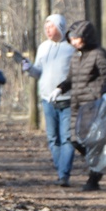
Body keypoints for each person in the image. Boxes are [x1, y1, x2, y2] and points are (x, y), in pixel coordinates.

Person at [56, 19, 106, 192]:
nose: (73, 42)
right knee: (74, 140)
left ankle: (94, 180)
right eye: (71, 39)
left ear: (86, 37)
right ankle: (99, 162)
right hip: (76, 103)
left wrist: (105, 93)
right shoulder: (76, 56)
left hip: (92, 103)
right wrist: (60, 88)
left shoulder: (98, 53)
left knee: (92, 141)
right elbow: (72, 78)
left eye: (76, 38)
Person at [20, 14, 76, 185]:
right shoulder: (43, 47)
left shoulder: (71, 48)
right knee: (53, 138)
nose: (47, 30)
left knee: (67, 138)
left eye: (51, 26)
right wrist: (29, 68)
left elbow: (77, 74)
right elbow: (39, 72)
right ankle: (61, 171)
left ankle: (64, 174)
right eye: (46, 27)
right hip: (47, 100)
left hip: (68, 100)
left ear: (60, 27)